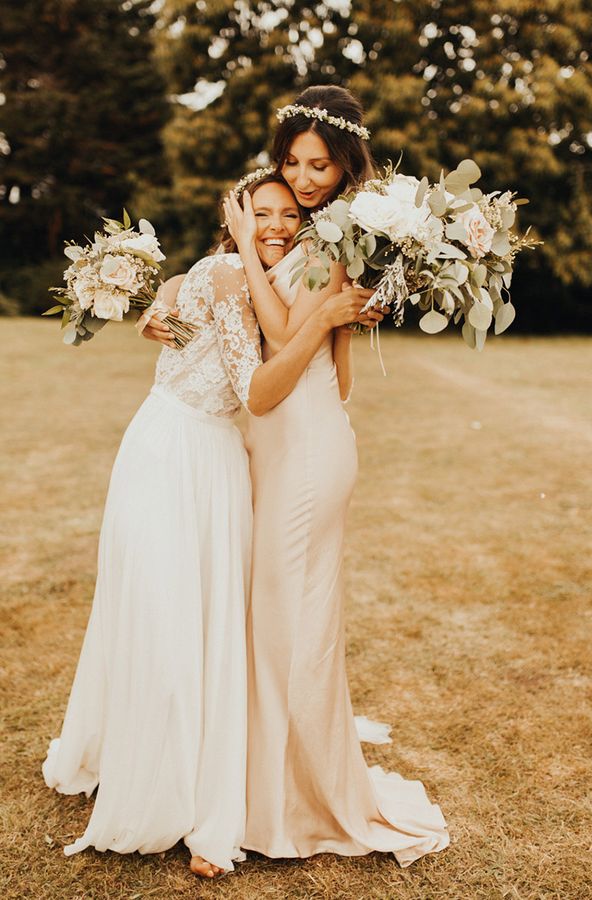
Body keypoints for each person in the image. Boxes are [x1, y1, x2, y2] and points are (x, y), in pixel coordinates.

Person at [43, 175, 379, 879]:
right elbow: (255, 389)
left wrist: (340, 320)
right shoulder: (230, 270)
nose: (279, 225)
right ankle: (175, 790)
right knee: (173, 620)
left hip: (195, 452)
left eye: (290, 214)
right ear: (234, 215)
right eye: (262, 213)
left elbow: (305, 357)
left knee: (197, 622)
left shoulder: (236, 271)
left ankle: (181, 771)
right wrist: (314, 318)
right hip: (183, 455)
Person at [225, 85, 450, 866]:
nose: (306, 176)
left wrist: (260, 260)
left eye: (319, 163)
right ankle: (270, 786)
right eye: (292, 161)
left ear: (347, 161)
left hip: (310, 449)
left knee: (295, 628)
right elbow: (324, 356)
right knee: (280, 622)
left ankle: (298, 804)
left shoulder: (336, 241)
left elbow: (287, 348)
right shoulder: (316, 236)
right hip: (288, 444)